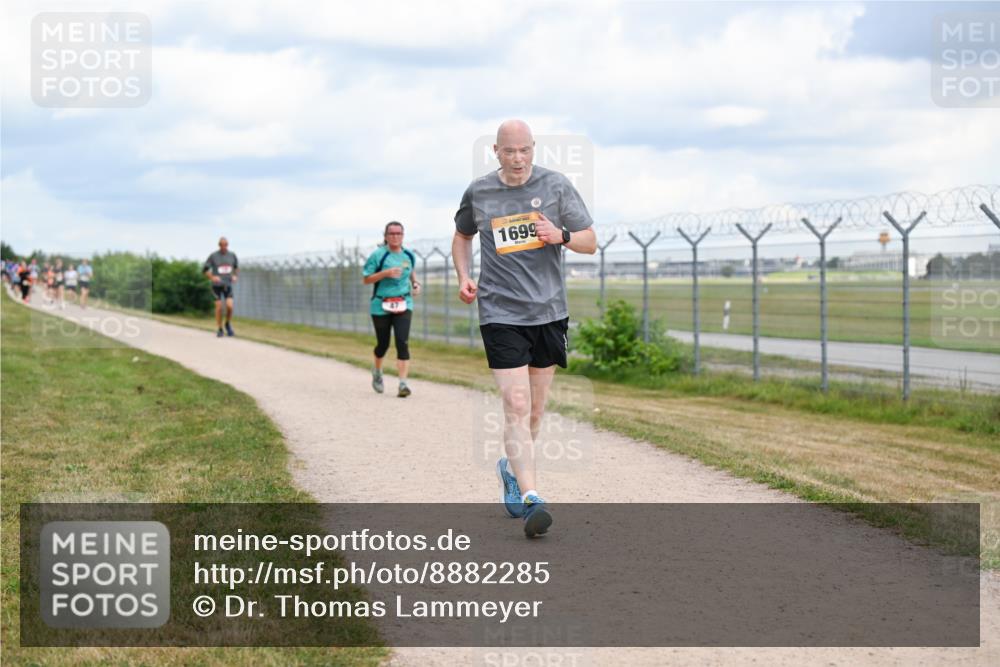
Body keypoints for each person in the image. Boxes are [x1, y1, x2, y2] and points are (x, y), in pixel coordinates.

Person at [453, 119, 596, 538]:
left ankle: (512, 470)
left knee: (534, 411)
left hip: (548, 312)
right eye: (509, 151)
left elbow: (590, 240)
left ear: (533, 149)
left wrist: (561, 234)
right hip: (499, 311)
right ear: (495, 151)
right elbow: (462, 236)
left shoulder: (556, 186)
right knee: (515, 404)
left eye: (524, 151)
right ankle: (534, 496)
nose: (517, 159)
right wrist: (464, 275)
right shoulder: (479, 191)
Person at [362, 221, 421, 398]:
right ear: (386, 236)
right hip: (381, 305)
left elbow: (411, 272)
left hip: (404, 303)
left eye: (399, 233)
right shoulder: (378, 256)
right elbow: (366, 279)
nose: (395, 237)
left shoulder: (409, 255)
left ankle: (403, 384)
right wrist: (385, 274)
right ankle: (377, 372)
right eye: (392, 233)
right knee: (383, 344)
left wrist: (416, 284)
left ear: (403, 236)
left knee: (402, 342)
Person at [203, 237, 239, 338]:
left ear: (228, 245)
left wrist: (235, 276)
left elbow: (236, 268)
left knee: (229, 306)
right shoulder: (213, 256)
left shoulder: (232, 255)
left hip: (227, 284)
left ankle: (227, 323)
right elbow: (205, 270)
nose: (224, 247)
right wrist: (212, 277)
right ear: (219, 245)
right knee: (219, 307)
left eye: (226, 245)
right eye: (222, 245)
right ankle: (220, 328)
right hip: (216, 286)